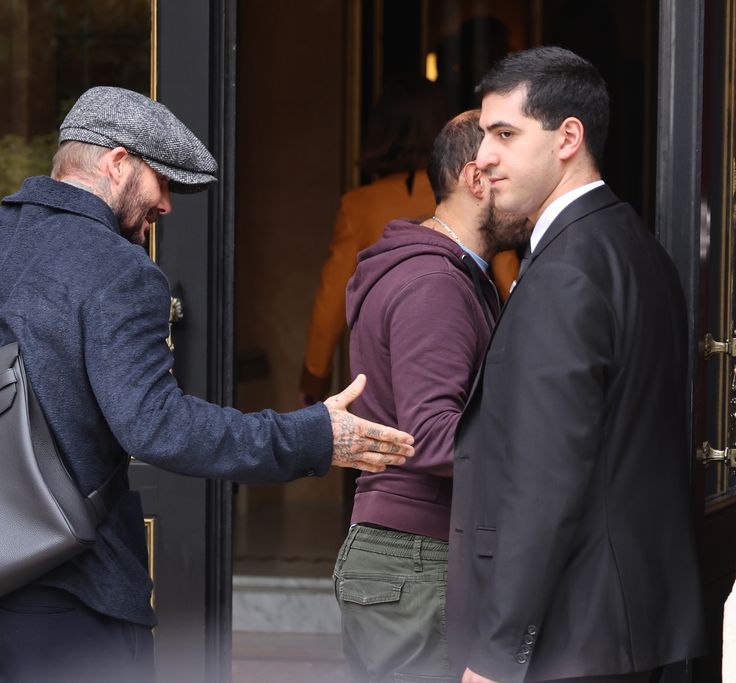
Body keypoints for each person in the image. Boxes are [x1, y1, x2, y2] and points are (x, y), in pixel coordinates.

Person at [0, 86, 415, 683]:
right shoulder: (119, 268)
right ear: (117, 162)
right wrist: (312, 437)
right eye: (163, 182)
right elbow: (157, 425)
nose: (168, 206)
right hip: (71, 605)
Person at [448, 47, 705, 683]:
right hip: (634, 629)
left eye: (505, 134)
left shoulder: (565, 270)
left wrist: (498, 655)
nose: (483, 157)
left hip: (573, 641)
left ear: (569, 138)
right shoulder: (636, 245)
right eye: (484, 135)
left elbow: (546, 481)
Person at [333, 109, 528, 682]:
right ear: (475, 179)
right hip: (416, 559)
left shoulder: (451, 273)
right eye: (513, 176)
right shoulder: (434, 286)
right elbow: (436, 438)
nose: (531, 195)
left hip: (407, 559)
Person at [299, 77, 447, 405]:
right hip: (460, 357)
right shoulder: (465, 194)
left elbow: (331, 301)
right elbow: (507, 283)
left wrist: (315, 379)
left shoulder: (359, 206)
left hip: (382, 372)